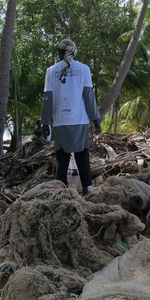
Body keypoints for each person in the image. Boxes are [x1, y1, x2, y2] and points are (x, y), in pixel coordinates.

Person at [41, 39, 101, 195]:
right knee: (82, 159)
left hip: (60, 122)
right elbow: (88, 96)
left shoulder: (51, 71)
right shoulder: (84, 69)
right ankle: (88, 189)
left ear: (61, 52)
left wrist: (45, 122)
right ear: (73, 51)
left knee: (62, 161)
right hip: (80, 121)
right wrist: (95, 119)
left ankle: (60, 192)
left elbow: (48, 98)